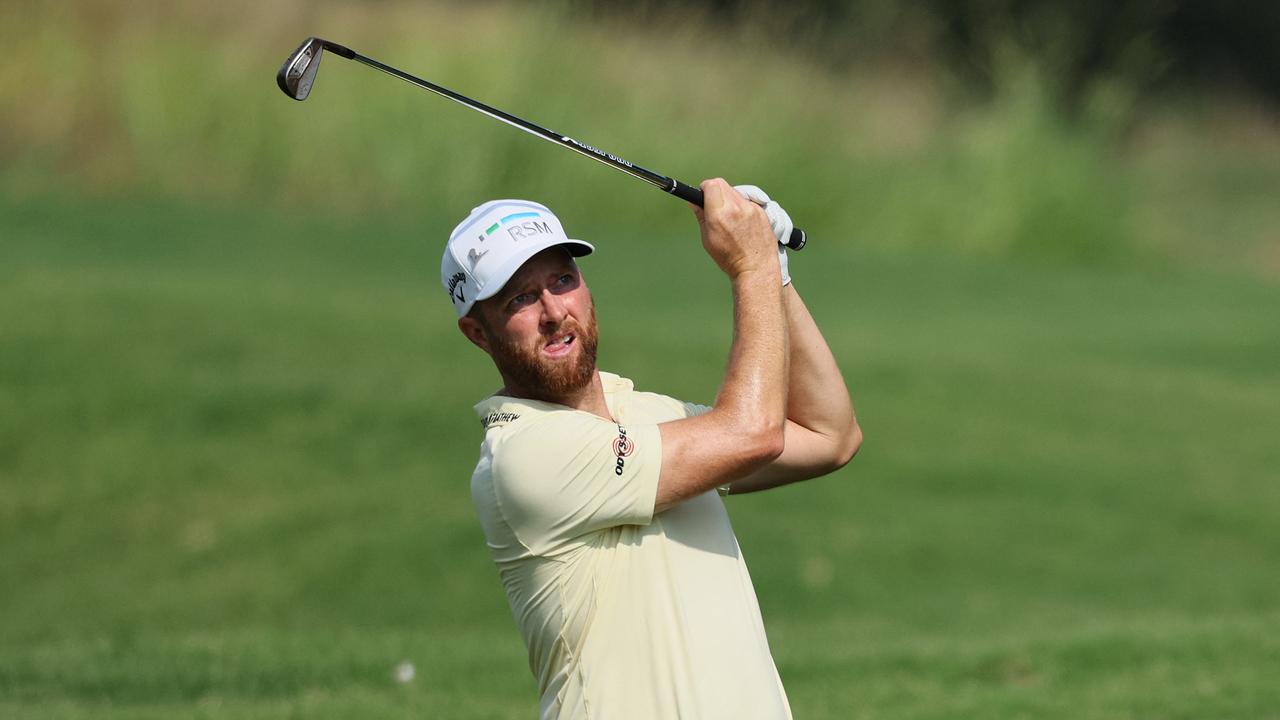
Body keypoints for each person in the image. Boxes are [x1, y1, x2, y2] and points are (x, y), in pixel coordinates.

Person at [442, 179, 861, 719]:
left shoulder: (645, 414)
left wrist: (776, 276)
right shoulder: (522, 456)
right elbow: (752, 432)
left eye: (563, 280)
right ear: (478, 333)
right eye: (521, 298)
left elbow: (830, 435)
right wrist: (751, 265)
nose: (553, 311)